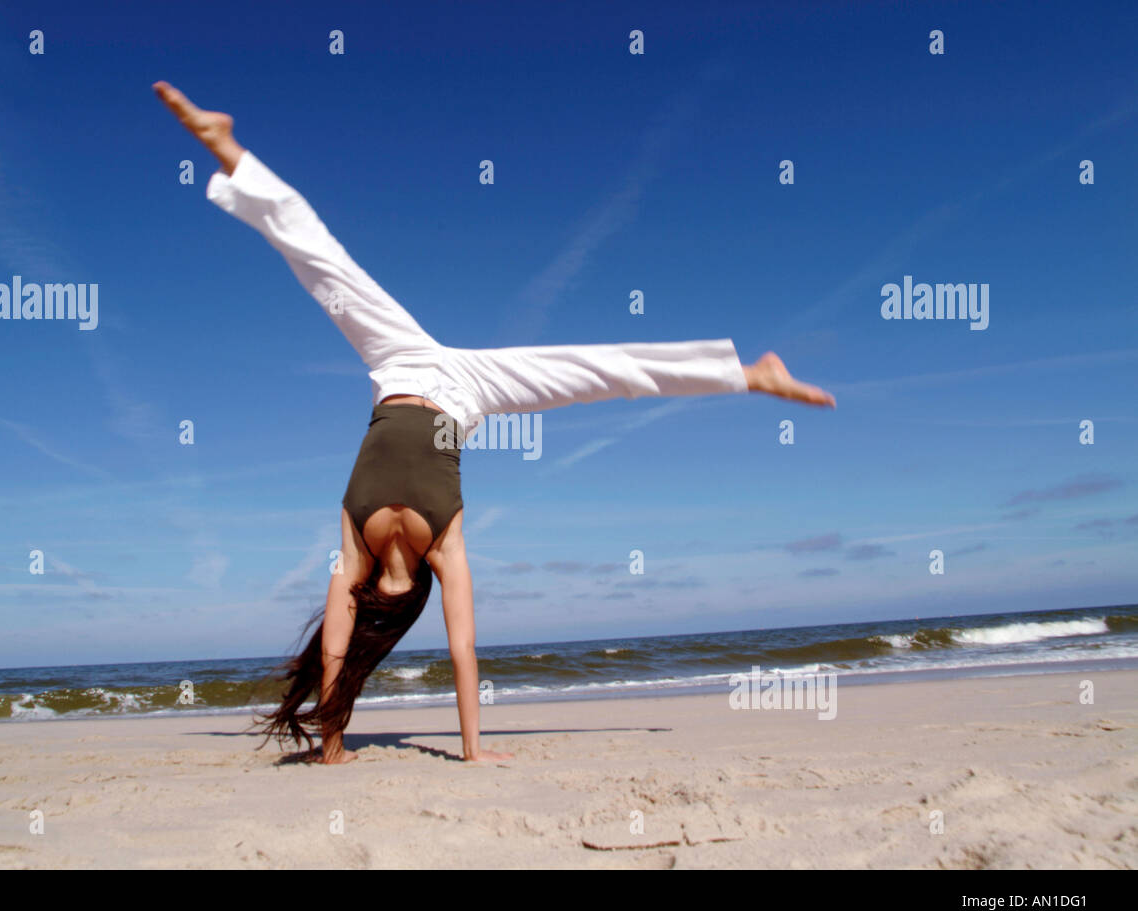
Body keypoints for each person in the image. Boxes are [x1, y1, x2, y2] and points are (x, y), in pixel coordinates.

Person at [154, 81, 836, 764]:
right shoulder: (444, 546)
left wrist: (332, 741)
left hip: (399, 366)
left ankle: (226, 147)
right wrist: (473, 754)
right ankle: (749, 375)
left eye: (375, 601)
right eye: (391, 597)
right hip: (464, 399)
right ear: (409, 596)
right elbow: (463, 650)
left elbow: (335, 647)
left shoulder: (354, 553)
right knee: (592, 373)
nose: (382, 594)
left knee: (327, 265)